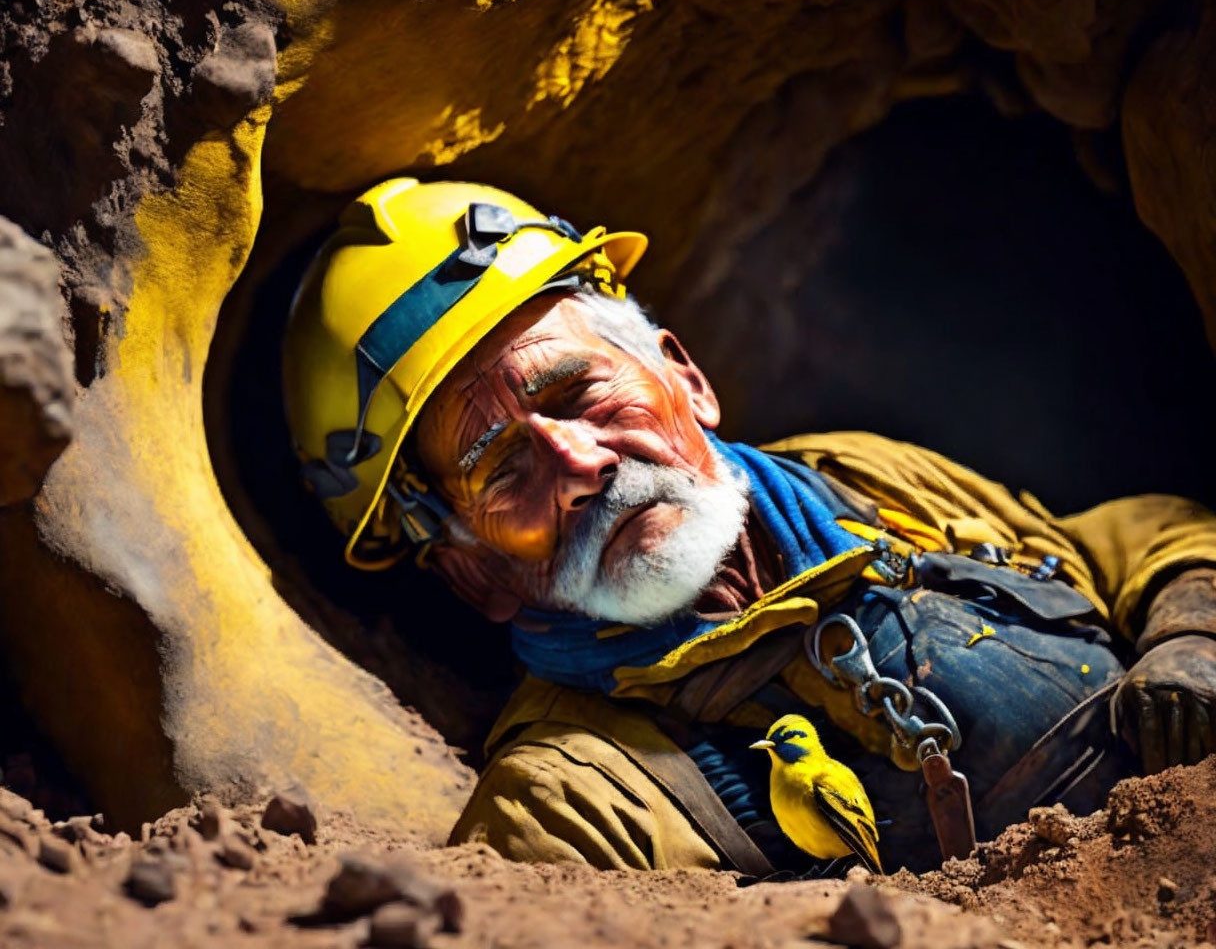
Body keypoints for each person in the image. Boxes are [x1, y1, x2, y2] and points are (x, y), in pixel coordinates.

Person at [283, 177, 1216, 874]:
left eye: (582, 393)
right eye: (502, 469)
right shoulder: (571, 807)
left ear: (686, 378)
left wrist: (1192, 628)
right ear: (473, 573)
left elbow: (1138, 535)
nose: (582, 467)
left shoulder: (861, 477)